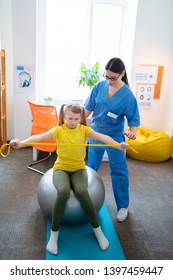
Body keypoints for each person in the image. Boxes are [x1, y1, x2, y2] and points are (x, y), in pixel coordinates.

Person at [10, 102, 129, 255]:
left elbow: (104, 137)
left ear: (81, 118)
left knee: (82, 191)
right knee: (63, 191)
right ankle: (54, 235)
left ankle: (97, 231)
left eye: (76, 119)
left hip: (79, 169)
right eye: (69, 118)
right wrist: (20, 143)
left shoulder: (85, 130)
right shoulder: (59, 130)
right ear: (64, 117)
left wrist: (118, 145)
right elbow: (39, 137)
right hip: (61, 169)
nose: (72, 122)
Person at [84, 57, 140, 222]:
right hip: (96, 133)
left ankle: (123, 206)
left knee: (118, 170)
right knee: (91, 168)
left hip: (114, 136)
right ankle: (86, 201)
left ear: (122, 74)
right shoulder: (99, 87)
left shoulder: (128, 95)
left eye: (113, 78)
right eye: (106, 76)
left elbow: (134, 120)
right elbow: (86, 110)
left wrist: (132, 133)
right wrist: (73, 125)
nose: (109, 80)